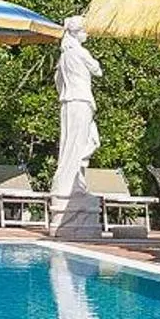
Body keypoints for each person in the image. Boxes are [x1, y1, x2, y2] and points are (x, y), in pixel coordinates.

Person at [50, 17, 103, 201]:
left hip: (68, 100)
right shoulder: (80, 52)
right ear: (76, 32)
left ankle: (72, 181)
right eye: (84, 31)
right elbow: (97, 70)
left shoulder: (64, 55)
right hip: (81, 100)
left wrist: (66, 91)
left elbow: (58, 80)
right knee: (80, 142)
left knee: (72, 142)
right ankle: (70, 184)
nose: (87, 34)